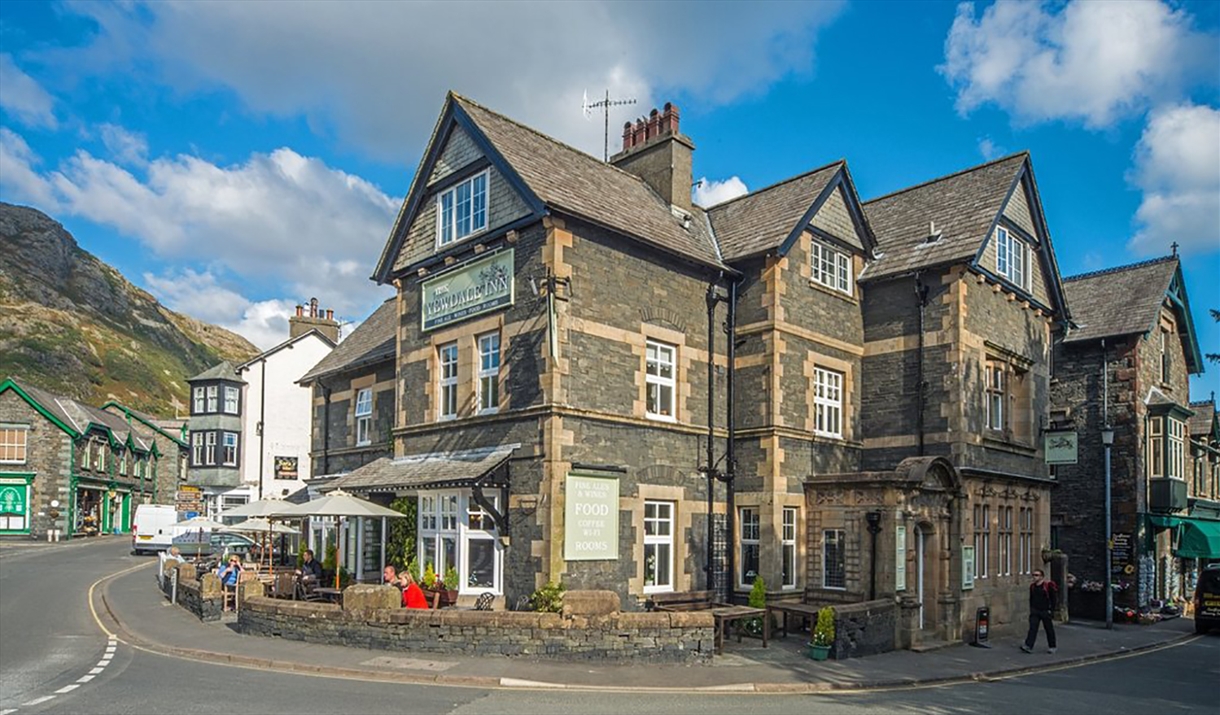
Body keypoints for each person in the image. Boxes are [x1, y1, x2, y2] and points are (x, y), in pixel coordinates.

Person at [1021, 569, 1058, 654]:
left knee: (1049, 629)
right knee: (1032, 628)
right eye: (1033, 575)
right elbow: (1031, 599)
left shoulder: (1048, 586)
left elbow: (1054, 599)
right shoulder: (1032, 587)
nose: (1034, 577)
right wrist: (1032, 609)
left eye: (1037, 575)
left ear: (1042, 577)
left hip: (1045, 611)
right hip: (1035, 611)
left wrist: (1051, 610)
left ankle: (1052, 646)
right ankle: (1028, 646)